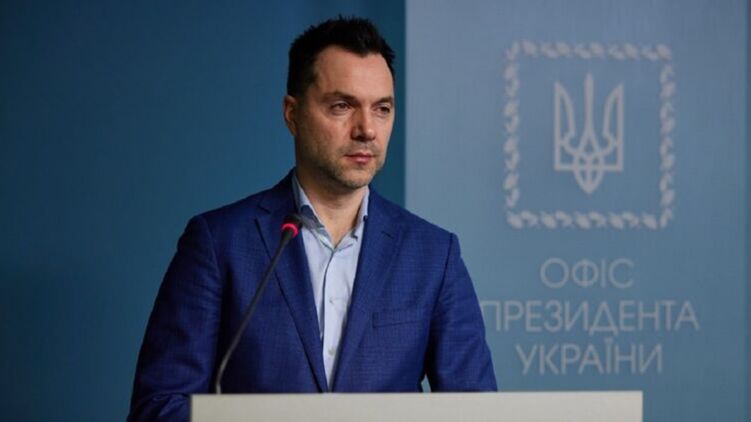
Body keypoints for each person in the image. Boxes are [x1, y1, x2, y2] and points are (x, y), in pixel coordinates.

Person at [128, 16, 496, 421]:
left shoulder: (434, 255)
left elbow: (475, 412)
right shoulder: (218, 243)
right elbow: (159, 407)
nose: (366, 129)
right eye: (342, 106)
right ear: (293, 114)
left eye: (382, 109)